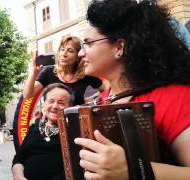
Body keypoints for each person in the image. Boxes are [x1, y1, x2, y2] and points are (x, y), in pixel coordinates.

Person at [74, 0, 190, 179]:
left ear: (119, 47)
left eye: (88, 43)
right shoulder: (102, 99)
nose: (81, 53)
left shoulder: (175, 98)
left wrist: (134, 169)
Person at [12, 83, 75, 180]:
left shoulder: (73, 132)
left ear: (69, 106)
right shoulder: (34, 128)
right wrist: (18, 176)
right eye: (51, 101)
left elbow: (75, 167)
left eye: (61, 103)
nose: (54, 106)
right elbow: (19, 158)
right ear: (44, 104)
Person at [23, 36, 104, 105]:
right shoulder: (48, 71)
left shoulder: (85, 74)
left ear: (78, 56)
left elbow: (105, 89)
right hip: (53, 121)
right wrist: (34, 72)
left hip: (77, 121)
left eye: (70, 51)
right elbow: (27, 95)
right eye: (62, 49)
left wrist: (93, 102)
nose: (64, 54)